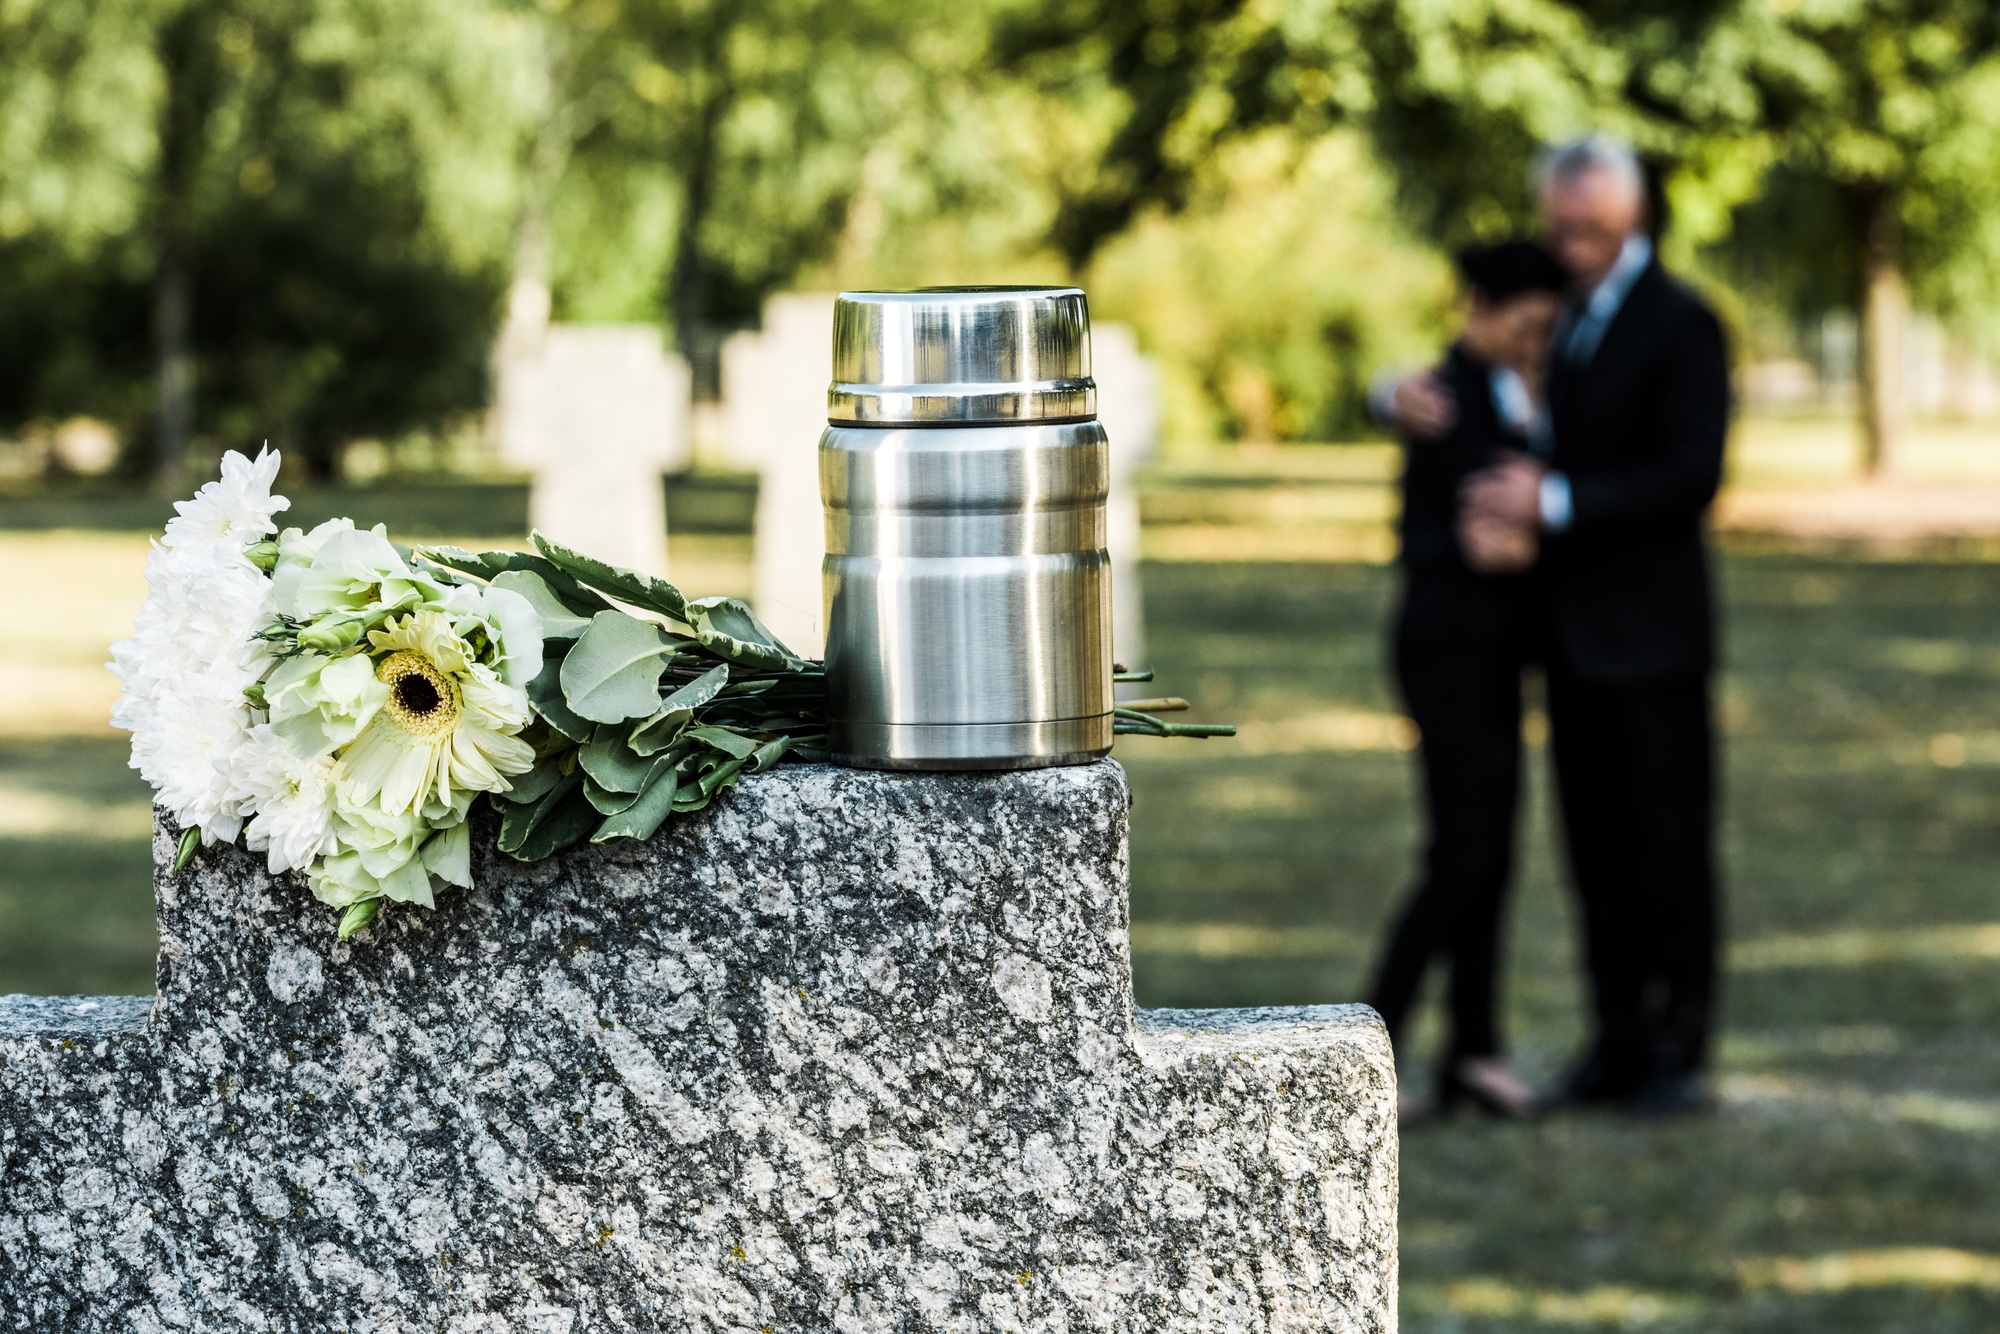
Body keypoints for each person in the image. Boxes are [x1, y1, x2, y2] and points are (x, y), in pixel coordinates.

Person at [1384, 136, 1733, 1115]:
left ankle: (1675, 1046)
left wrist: (1558, 501)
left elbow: (1688, 474)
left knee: (1668, 847)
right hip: (1562, 642)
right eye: (1561, 227)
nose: (1572, 246)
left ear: (1634, 221)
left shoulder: (1682, 323)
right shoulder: (1548, 317)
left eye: (1592, 229)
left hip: (1654, 639)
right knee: (1592, 854)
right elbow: (1461, 378)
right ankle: (1612, 1036)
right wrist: (1385, 392)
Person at [1365, 240, 1568, 1122]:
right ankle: (1372, 1047)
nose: (1534, 342)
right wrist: (1484, 548)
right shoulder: (1440, 394)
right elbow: (1424, 535)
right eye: (1522, 325)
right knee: (1461, 855)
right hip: (1445, 645)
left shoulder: (1509, 389)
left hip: (1494, 654)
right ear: (1479, 308)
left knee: (1496, 848)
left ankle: (1475, 1051)